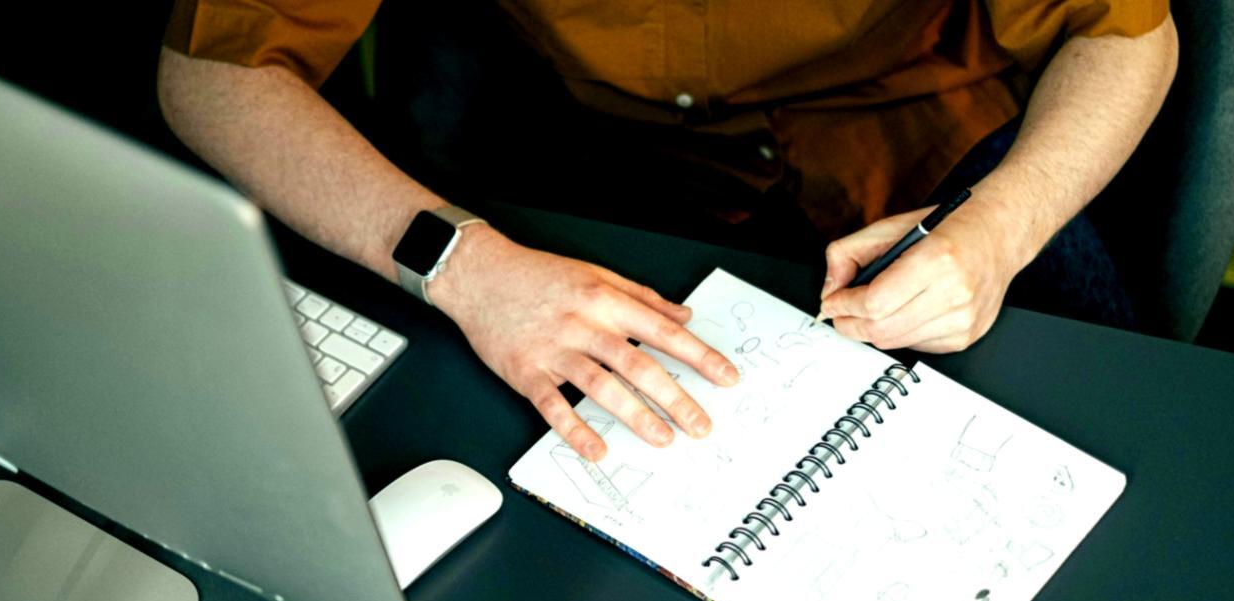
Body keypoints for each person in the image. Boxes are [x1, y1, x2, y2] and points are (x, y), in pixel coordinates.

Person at [158, 1, 1177, 460]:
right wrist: (461, 262)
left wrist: (999, 232)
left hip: (923, 152)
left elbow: (1128, 34)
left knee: (1098, 465)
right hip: (604, 170)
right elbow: (211, 72)